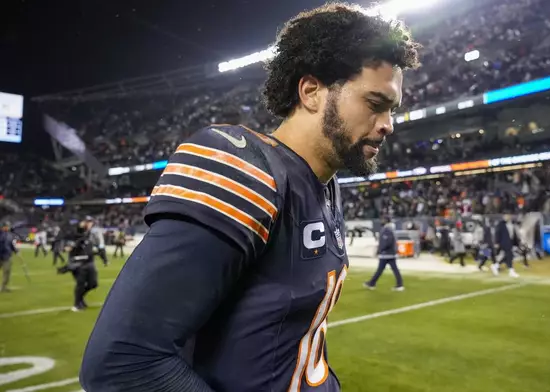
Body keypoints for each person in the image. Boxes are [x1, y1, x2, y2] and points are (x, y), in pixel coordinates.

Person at [80, 5, 420, 391]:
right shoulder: (246, 168)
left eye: (392, 109)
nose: (388, 125)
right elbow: (123, 362)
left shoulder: (325, 184)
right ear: (311, 92)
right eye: (375, 104)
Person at [58, 220, 99, 311]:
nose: (89, 224)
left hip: (89, 262)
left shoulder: (90, 235)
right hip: (79, 264)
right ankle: (77, 304)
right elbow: (68, 248)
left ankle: (80, 298)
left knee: (93, 284)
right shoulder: (75, 236)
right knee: (80, 284)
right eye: (87, 223)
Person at [364, 218, 404, 291]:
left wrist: (380, 249)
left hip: (386, 254)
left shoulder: (386, 230)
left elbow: (386, 242)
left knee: (380, 270)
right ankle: (399, 284)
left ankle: (372, 283)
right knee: (394, 269)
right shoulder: (391, 229)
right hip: (391, 253)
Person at [0, 221, 18, 293]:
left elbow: (11, 245)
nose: (8, 227)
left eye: (8, 226)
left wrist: (16, 251)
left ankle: (4, 287)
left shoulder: (9, 235)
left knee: (7, 272)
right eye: (6, 226)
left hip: (7, 256)